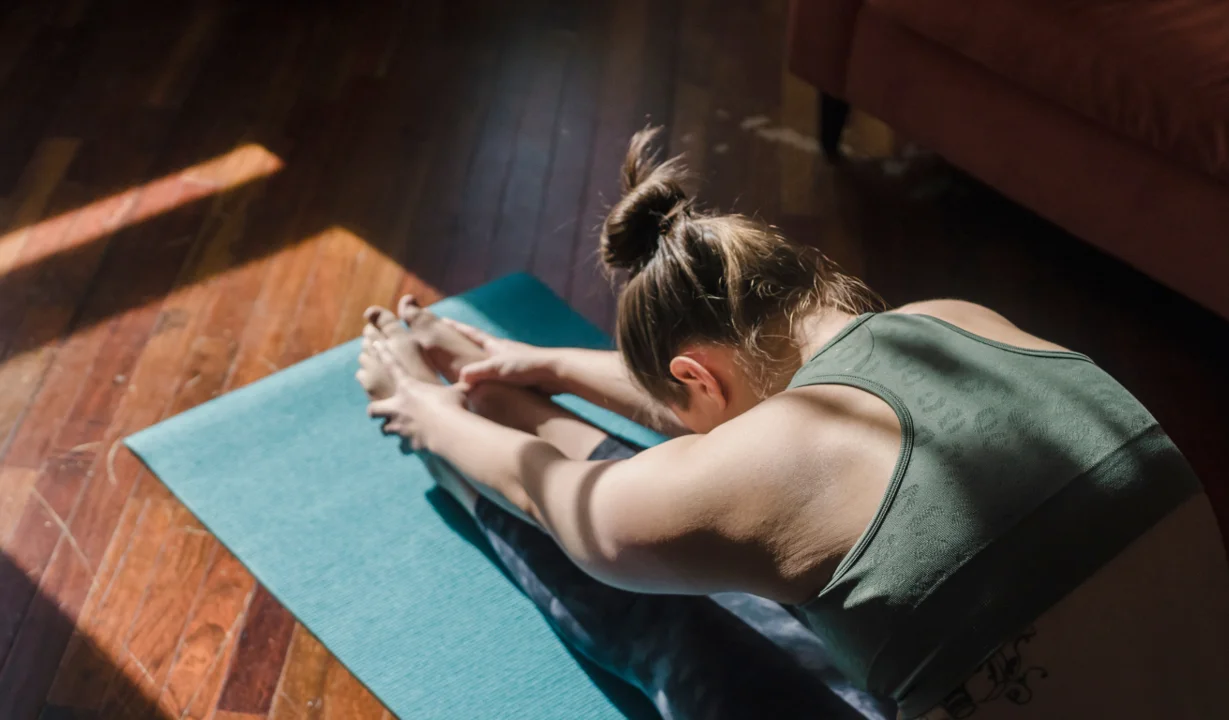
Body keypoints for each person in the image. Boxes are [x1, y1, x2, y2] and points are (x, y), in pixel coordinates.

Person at [356, 128, 1229, 719]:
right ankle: (509, 400)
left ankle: (486, 428)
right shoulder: (952, 323)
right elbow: (749, 414)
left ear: (693, 375)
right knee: (725, 531)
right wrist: (545, 365)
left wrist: (425, 411)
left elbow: (576, 507)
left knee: (692, 621)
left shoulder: (780, 463)